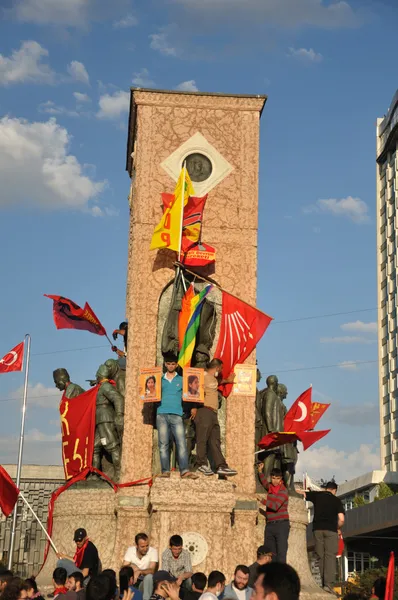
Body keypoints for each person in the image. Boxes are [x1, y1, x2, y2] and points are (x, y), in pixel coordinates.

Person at [296, 481, 345, 594]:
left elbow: (301, 493)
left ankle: (323, 583)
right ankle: (328, 585)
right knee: (330, 557)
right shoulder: (336, 500)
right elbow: (341, 519)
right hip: (331, 530)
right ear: (334, 490)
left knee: (321, 556)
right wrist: (338, 527)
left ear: (326, 489)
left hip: (317, 529)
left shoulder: (317, 495)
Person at [193, 359, 237, 477]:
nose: (221, 371)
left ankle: (221, 466)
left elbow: (217, 382)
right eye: (221, 369)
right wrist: (193, 406)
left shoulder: (213, 379)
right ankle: (201, 463)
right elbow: (191, 388)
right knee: (202, 438)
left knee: (215, 440)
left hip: (213, 412)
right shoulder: (202, 375)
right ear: (217, 368)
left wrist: (227, 381)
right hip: (204, 410)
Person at [157, 355, 198, 479]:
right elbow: (150, 393)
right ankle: (165, 471)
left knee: (181, 443)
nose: (170, 366)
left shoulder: (182, 380)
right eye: (168, 363)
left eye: (173, 364)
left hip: (177, 414)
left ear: (176, 365)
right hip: (162, 414)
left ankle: (184, 471)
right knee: (163, 443)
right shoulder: (158, 379)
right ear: (165, 364)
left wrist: (193, 405)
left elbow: (191, 393)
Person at [258, 467, 289, 563]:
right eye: (273, 478)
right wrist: (260, 472)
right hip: (270, 525)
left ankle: (281, 576)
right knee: (270, 554)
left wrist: (262, 501)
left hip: (281, 525)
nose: (275, 481)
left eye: (278, 478)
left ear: (281, 479)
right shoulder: (271, 487)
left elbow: (275, 506)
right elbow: (265, 483)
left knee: (281, 554)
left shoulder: (283, 491)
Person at [122, 533, 158, 600]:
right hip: (132, 581)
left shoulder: (153, 551)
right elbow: (124, 567)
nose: (145, 548)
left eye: (147, 546)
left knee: (149, 577)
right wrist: (133, 566)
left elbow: (152, 570)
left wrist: (140, 571)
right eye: (142, 546)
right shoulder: (130, 550)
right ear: (137, 546)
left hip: (144, 583)